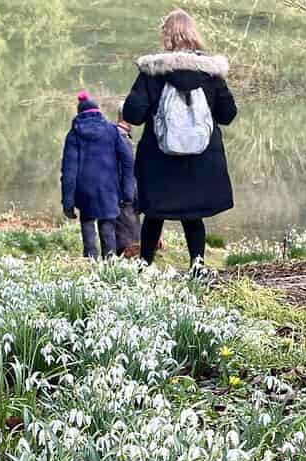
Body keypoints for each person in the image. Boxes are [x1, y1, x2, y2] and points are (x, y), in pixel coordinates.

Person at [121, 9, 237, 269]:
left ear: (166, 36)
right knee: (193, 217)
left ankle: (145, 266)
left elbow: (133, 114)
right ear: (193, 34)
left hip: (158, 160)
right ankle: (197, 267)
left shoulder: (152, 72)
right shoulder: (211, 73)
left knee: (154, 216)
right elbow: (228, 114)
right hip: (201, 160)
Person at [60, 91, 135, 258]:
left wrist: (68, 203)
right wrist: (128, 191)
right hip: (108, 189)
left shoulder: (73, 135)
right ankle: (109, 265)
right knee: (107, 226)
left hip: (85, 191)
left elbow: (69, 172)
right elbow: (128, 161)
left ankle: (90, 261)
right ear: (98, 111)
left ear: (79, 113)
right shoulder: (112, 131)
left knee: (87, 223)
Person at [114, 114, 143, 257]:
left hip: (115, 189)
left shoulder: (114, 134)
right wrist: (131, 193)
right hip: (125, 189)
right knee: (129, 226)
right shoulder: (123, 137)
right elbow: (127, 169)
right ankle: (128, 254)